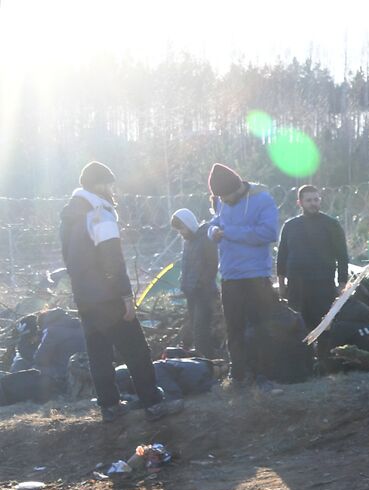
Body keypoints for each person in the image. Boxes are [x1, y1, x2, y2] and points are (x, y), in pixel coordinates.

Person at [58, 162, 180, 422]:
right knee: (136, 348)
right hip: (108, 296)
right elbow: (112, 259)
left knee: (98, 351)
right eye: (109, 184)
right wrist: (125, 296)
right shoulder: (100, 212)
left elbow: (69, 259)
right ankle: (153, 403)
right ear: (100, 185)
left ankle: (109, 407)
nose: (112, 190)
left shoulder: (69, 217)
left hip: (84, 297)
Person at [208, 162, 280, 389]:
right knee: (234, 328)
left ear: (238, 187)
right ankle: (239, 375)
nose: (224, 201)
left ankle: (264, 374)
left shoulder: (263, 200)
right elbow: (214, 223)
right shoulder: (220, 200)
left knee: (261, 327)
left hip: (256, 275)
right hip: (229, 276)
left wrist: (228, 233)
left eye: (227, 196)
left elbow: (269, 233)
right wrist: (213, 232)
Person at [276, 185, 349, 334]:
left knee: (323, 327)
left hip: (323, 285)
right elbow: (282, 255)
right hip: (297, 286)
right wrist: (282, 284)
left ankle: (324, 356)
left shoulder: (331, 225)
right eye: (309, 200)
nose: (313, 203)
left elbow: (342, 256)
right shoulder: (290, 226)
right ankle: (302, 356)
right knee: (297, 328)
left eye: (316, 199)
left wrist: (342, 285)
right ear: (300, 203)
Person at [170, 208, 221, 357]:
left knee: (200, 330)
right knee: (194, 327)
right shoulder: (187, 241)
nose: (181, 232)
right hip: (191, 291)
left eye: (182, 228)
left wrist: (201, 283)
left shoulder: (205, 237)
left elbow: (212, 265)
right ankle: (202, 359)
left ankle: (207, 362)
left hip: (204, 292)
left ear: (189, 223)